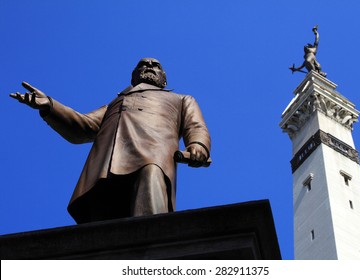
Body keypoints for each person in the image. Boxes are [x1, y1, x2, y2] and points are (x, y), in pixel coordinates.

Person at [10, 58, 211, 224]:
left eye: (155, 65)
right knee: (101, 227)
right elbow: (84, 125)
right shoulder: (115, 103)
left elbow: (196, 127)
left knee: (150, 210)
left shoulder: (182, 99)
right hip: (106, 166)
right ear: (133, 76)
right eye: (142, 64)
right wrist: (50, 106)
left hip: (153, 157)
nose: (148, 66)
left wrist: (198, 146)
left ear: (164, 80)